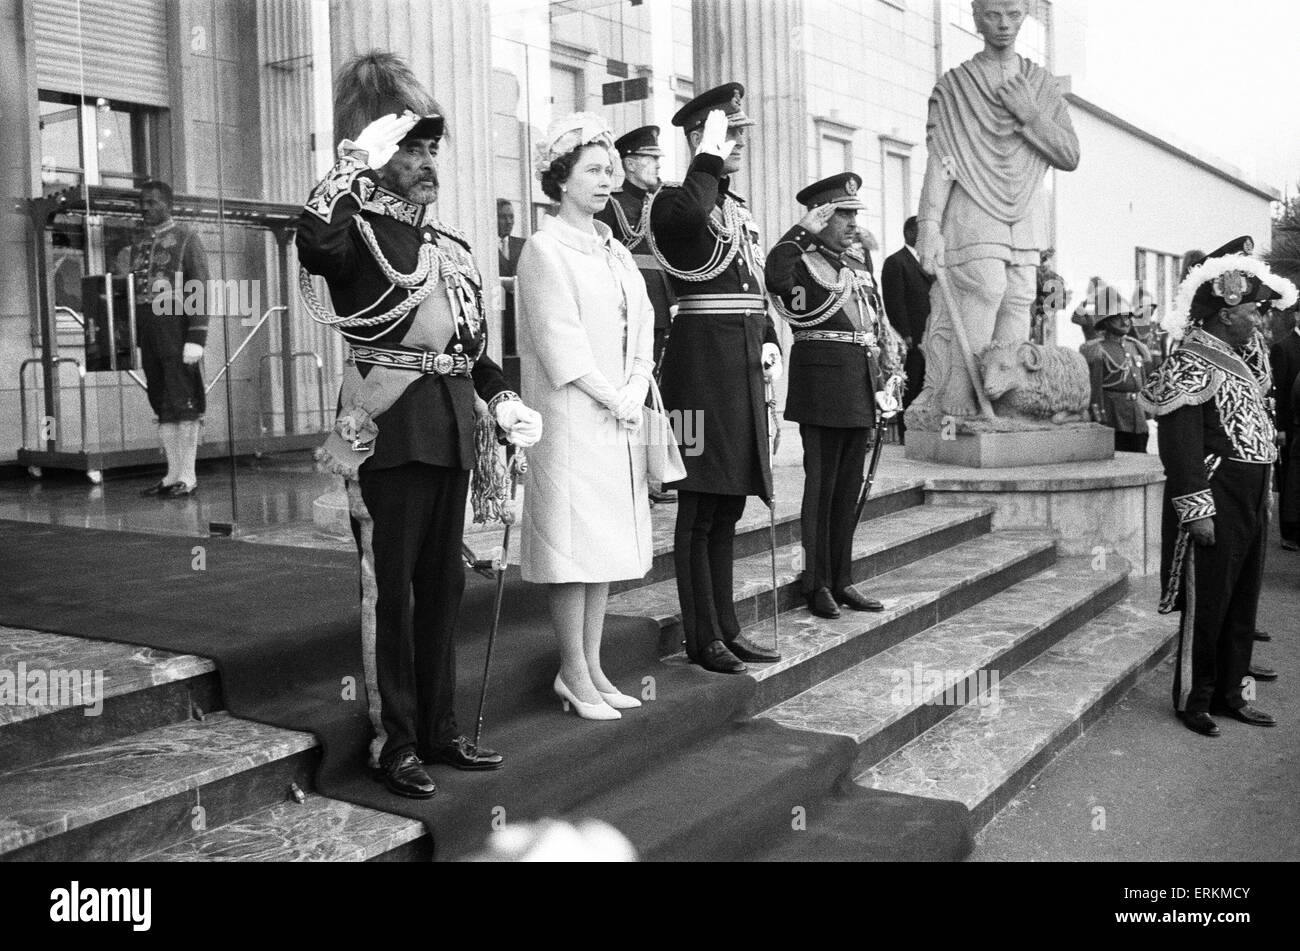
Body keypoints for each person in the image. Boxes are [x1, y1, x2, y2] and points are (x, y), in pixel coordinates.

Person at [295, 52, 542, 798]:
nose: (428, 162)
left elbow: (469, 352)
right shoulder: (356, 234)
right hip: (386, 436)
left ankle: (439, 728)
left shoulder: (450, 249)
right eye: (411, 149)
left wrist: (503, 399)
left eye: (432, 148)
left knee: (442, 592)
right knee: (390, 596)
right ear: (378, 153)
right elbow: (314, 243)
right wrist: (349, 167)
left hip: (449, 434)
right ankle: (393, 740)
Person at [516, 113, 655, 721]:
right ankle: (571, 672)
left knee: (604, 546)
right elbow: (559, 342)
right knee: (572, 550)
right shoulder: (543, 250)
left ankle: (593, 667)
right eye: (594, 171)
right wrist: (612, 393)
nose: (607, 181)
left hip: (617, 416)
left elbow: (644, 321)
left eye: (611, 171)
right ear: (562, 178)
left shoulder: (614, 249)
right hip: (572, 417)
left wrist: (636, 384)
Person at [647, 82, 783, 674]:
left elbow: (754, 284)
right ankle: (700, 637)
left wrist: (771, 339)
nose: (740, 144)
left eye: (740, 134)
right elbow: (687, 219)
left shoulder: (737, 208)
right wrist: (706, 156)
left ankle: (726, 626)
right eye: (731, 134)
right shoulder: (672, 202)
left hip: (740, 368)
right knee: (698, 506)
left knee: (727, 505)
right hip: (697, 375)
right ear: (702, 139)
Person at [1140, 236, 1296, 737]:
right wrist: (1196, 509)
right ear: (1226, 314)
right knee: (1208, 603)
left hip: (1251, 493)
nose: (1259, 321)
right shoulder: (1191, 361)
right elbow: (1181, 447)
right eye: (1252, 312)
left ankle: (1234, 693)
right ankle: (1196, 698)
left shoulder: (1235, 354)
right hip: (1216, 493)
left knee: (1242, 600)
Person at [910, 0, 1080, 424]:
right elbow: (942, 160)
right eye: (993, 15)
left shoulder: (1040, 85)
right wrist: (929, 223)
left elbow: (1069, 154)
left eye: (1013, 14)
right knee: (985, 289)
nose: (1004, 24)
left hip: (1026, 207)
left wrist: (1031, 115)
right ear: (976, 17)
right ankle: (958, 389)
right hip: (972, 200)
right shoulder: (956, 86)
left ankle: (1005, 396)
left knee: (1018, 299)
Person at [766, 173, 905, 620]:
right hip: (822, 389)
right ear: (820, 217)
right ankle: (816, 583)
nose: (851, 223)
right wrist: (801, 231)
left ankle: (842, 579)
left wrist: (884, 379)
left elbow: (872, 323)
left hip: (859, 385)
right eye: (841, 214)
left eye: (853, 214)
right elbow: (774, 278)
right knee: (820, 490)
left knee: (848, 491)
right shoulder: (800, 260)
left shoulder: (856, 263)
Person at [596, 124, 679, 505]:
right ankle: (629, 476)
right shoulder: (611, 205)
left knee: (659, 392)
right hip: (626, 312)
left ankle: (657, 472)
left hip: (663, 308)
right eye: (650, 158)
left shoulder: (659, 203)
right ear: (629, 164)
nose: (657, 165)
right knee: (630, 393)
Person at [114, 180, 209, 498]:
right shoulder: (138, 244)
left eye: (151, 202)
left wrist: (196, 336)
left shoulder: (186, 238)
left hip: (176, 329)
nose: (144, 208)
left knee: (184, 401)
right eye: (142, 202)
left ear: (168, 205)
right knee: (161, 401)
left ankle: (188, 476)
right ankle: (171, 475)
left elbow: (199, 287)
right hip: (149, 332)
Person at [1080, 281, 1156, 453]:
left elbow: (1143, 383)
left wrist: (1147, 413)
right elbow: (1095, 388)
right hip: (1113, 416)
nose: (1125, 321)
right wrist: (1098, 416)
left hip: (1137, 416)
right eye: (1118, 317)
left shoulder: (1136, 347)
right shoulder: (1098, 350)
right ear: (1106, 322)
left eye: (1127, 317)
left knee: (1140, 456)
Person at [881, 215, 934, 441]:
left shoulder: (930, 262)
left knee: (927, 384)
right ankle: (907, 434)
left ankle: (925, 431)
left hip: (931, 336)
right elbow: (894, 301)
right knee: (910, 386)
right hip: (912, 338)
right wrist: (905, 334)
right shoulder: (896, 262)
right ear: (910, 233)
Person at [1269, 308, 1300, 548]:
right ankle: (1289, 534)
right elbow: (1277, 391)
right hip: (1290, 425)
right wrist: (1279, 428)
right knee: (1290, 478)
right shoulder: (1283, 347)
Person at [1031, 248, 1066, 345]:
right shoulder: (1032, 275)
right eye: (1041, 260)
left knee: (1045, 339)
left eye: (1045, 259)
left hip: (1047, 315)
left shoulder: (1056, 278)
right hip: (1033, 314)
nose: (1043, 263)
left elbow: (1061, 302)